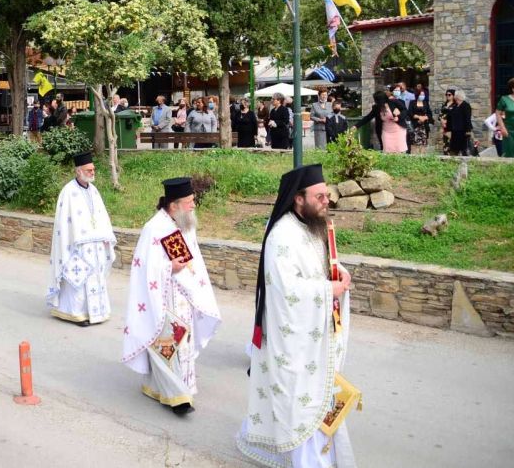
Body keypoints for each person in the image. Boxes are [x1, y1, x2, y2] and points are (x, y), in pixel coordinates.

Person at [236, 164, 355, 467]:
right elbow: (288, 290)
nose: (326, 200)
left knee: (319, 399)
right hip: (294, 337)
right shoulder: (282, 235)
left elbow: (320, 266)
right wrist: (330, 290)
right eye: (319, 196)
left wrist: (337, 272)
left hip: (314, 333)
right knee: (301, 404)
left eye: (327, 195)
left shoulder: (312, 226)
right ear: (298, 199)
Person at [122, 177, 221, 415]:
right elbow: (144, 267)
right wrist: (170, 268)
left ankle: (170, 386)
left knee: (182, 342)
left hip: (184, 297)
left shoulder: (185, 224)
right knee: (167, 343)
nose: (193, 206)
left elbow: (192, 260)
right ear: (173, 205)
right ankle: (177, 397)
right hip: (162, 298)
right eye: (189, 202)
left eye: (193, 201)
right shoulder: (154, 228)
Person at [46, 153, 117, 326]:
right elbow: (64, 223)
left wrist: (106, 235)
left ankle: (97, 312)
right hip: (77, 246)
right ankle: (77, 314)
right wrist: (70, 243)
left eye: (93, 169)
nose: (93, 172)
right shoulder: (68, 192)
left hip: (96, 244)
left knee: (96, 277)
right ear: (79, 171)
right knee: (79, 280)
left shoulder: (93, 190)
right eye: (89, 170)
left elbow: (101, 216)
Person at [496, 77, 514, 158]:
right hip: (509, 130)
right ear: (513, 89)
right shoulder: (504, 99)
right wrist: (502, 127)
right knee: (509, 152)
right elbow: (497, 113)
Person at [445, 90, 473, 156]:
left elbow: (467, 118)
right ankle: (453, 160)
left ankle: (464, 161)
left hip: (463, 131)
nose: (454, 96)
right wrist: (448, 129)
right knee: (453, 148)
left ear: (458, 97)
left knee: (463, 148)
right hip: (455, 131)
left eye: (455, 95)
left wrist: (468, 130)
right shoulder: (455, 106)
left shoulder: (465, 105)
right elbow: (450, 117)